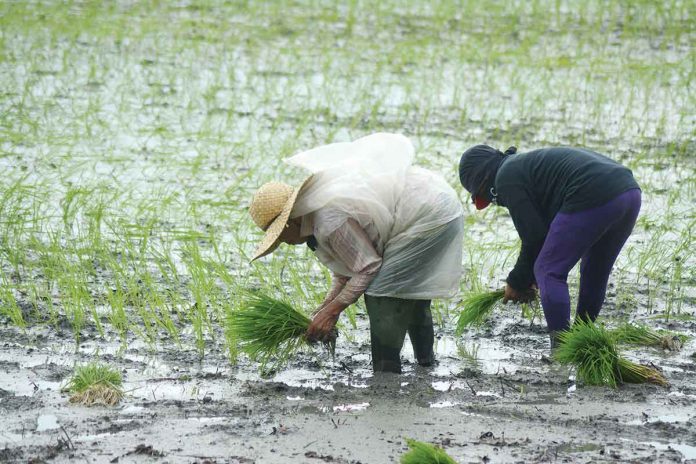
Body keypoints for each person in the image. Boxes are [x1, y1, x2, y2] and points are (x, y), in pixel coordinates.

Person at [249, 133, 464, 373]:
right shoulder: (316, 217)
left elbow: (368, 267)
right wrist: (322, 312)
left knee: (381, 293)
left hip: (429, 214)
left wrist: (331, 312)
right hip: (438, 204)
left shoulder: (328, 222)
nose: (284, 243)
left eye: (279, 236)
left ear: (288, 223)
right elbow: (345, 273)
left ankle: (386, 374)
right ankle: (426, 364)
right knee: (407, 292)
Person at [458, 145, 641, 348]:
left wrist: (516, 281)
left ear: (484, 182)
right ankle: (582, 341)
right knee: (594, 270)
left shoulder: (506, 177)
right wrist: (529, 279)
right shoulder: (524, 167)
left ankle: (561, 348)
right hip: (628, 193)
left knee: (548, 270)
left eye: (487, 197)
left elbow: (534, 238)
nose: (494, 202)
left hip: (593, 191)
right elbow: (547, 234)